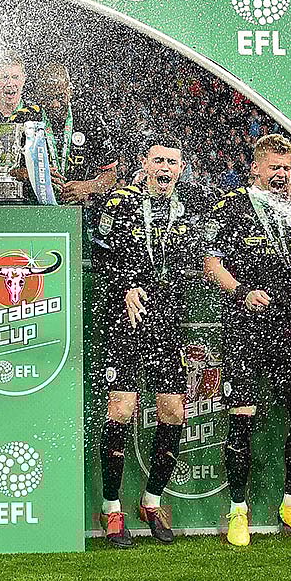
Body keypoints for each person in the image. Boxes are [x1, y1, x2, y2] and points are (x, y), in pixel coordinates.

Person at [203, 133, 291, 546]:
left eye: (286, 168)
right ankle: (238, 511)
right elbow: (210, 264)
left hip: (288, 328)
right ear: (254, 167)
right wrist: (240, 291)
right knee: (242, 417)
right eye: (273, 167)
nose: (280, 174)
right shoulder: (229, 206)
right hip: (244, 326)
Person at [94, 135, 202, 547]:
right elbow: (100, 254)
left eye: (173, 163)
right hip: (125, 318)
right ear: (144, 162)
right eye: (159, 160)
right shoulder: (119, 201)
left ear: (180, 168)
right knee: (121, 409)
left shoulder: (186, 208)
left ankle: (151, 501)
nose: (166, 169)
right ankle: (111, 508)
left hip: (167, 320)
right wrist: (125, 287)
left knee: (173, 411)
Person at [10, 62, 118, 204]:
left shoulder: (90, 120)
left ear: (70, 91)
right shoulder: (22, 120)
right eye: (48, 98)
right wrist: (33, 174)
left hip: (77, 211)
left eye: (60, 96)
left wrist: (87, 187)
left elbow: (111, 174)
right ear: (39, 95)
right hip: (31, 209)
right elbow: (6, 170)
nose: (55, 104)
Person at [0, 54, 32, 123]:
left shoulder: (35, 113)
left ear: (24, 79)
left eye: (15, 77)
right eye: (5, 77)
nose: (10, 83)